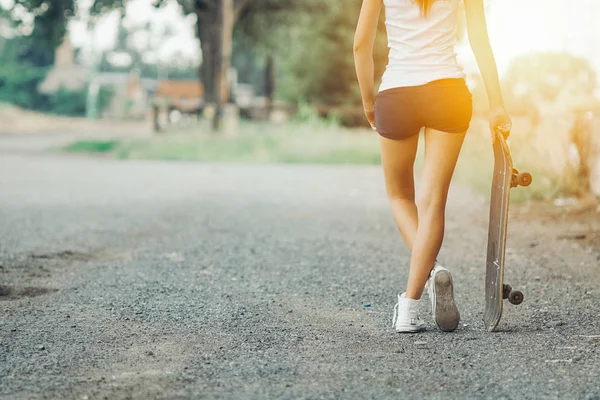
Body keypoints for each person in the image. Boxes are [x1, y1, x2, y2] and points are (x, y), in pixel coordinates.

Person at [353, 0, 512, 332]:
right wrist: (496, 104)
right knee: (434, 201)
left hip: (397, 95)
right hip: (448, 93)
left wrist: (369, 102)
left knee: (399, 197)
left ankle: (426, 282)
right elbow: (480, 39)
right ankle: (414, 298)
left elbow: (360, 45)